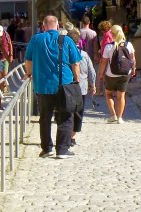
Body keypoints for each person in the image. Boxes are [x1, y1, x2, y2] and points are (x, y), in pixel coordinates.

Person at [24, 13, 81, 159]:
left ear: (43, 27)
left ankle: (47, 148)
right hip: (64, 84)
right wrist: (77, 79)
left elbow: (28, 61)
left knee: (45, 117)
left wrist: (28, 74)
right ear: (58, 26)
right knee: (66, 116)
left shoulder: (35, 39)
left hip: (42, 86)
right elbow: (75, 63)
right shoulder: (67, 40)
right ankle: (62, 149)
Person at [97, 24, 136, 124]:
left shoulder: (109, 47)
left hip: (111, 75)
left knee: (109, 94)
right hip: (125, 74)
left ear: (112, 35)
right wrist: (133, 69)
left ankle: (113, 115)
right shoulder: (129, 45)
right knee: (121, 96)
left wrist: (101, 74)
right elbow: (133, 59)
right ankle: (120, 118)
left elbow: (104, 62)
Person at [68, 27, 96, 145]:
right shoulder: (84, 55)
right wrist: (93, 85)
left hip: (67, 87)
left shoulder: (64, 54)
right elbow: (91, 71)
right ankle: (72, 137)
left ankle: (66, 135)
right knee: (78, 112)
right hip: (81, 87)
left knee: (67, 111)